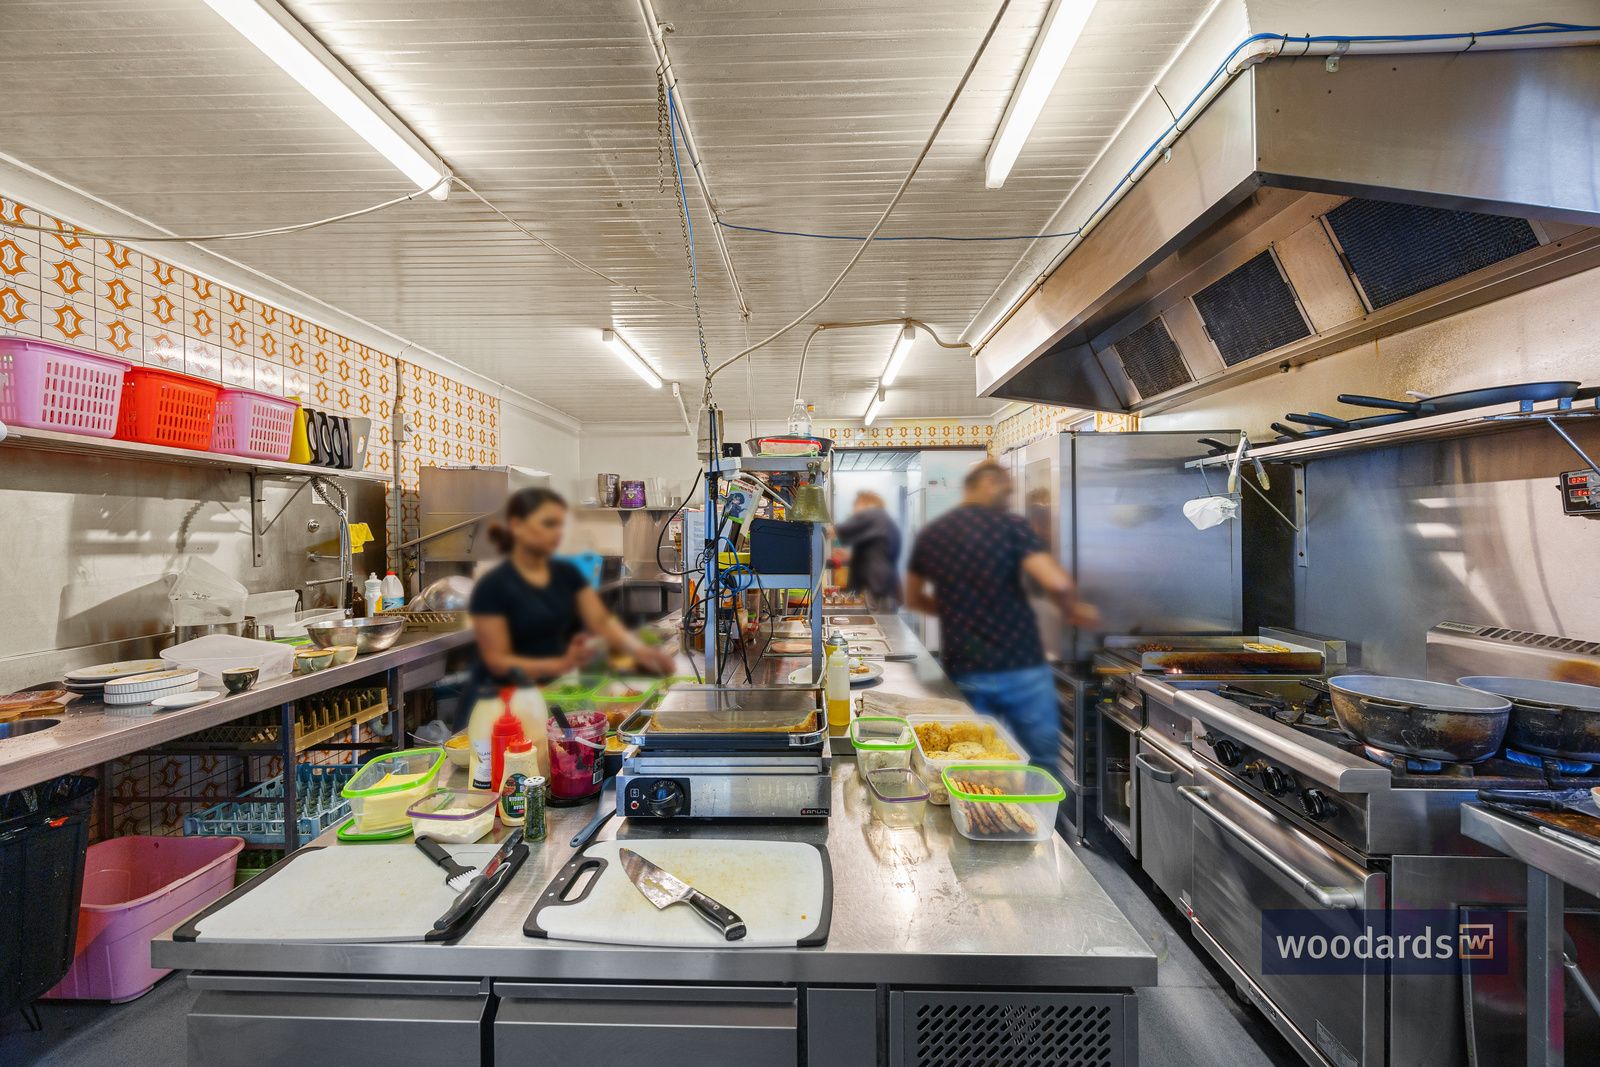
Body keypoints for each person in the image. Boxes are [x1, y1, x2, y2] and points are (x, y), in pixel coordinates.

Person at [904, 460, 1099, 765]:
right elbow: (1057, 583)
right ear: (986, 483)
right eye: (1006, 491)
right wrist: (1073, 610)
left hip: (967, 667)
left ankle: (982, 797)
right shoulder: (1011, 527)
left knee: (973, 760)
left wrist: (955, 610)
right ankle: (1038, 798)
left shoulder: (935, 534)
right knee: (1040, 760)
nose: (1009, 499)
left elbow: (912, 598)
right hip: (1022, 666)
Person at [470, 487, 675, 682]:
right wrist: (561, 665)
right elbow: (497, 662)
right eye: (548, 524)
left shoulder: (565, 573)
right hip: (515, 695)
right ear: (517, 525)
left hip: (563, 686)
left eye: (560, 524)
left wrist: (640, 651)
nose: (557, 533)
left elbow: (600, 621)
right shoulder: (493, 586)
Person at [834, 490, 902, 613]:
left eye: (857, 505)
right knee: (877, 620)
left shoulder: (878, 519)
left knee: (883, 622)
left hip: (881, 586)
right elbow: (873, 554)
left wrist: (828, 531)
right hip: (876, 585)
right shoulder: (878, 524)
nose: (855, 510)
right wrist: (849, 557)